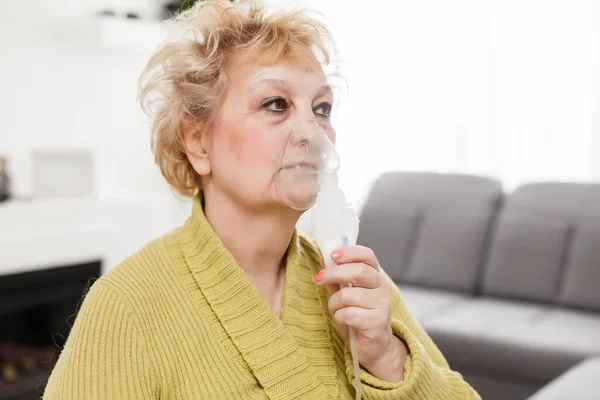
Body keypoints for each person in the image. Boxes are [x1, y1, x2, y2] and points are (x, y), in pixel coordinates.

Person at [44, 1, 480, 398]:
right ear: (197, 142)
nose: (313, 132)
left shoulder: (355, 281)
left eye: (322, 108)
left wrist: (386, 357)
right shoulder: (125, 306)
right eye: (276, 104)